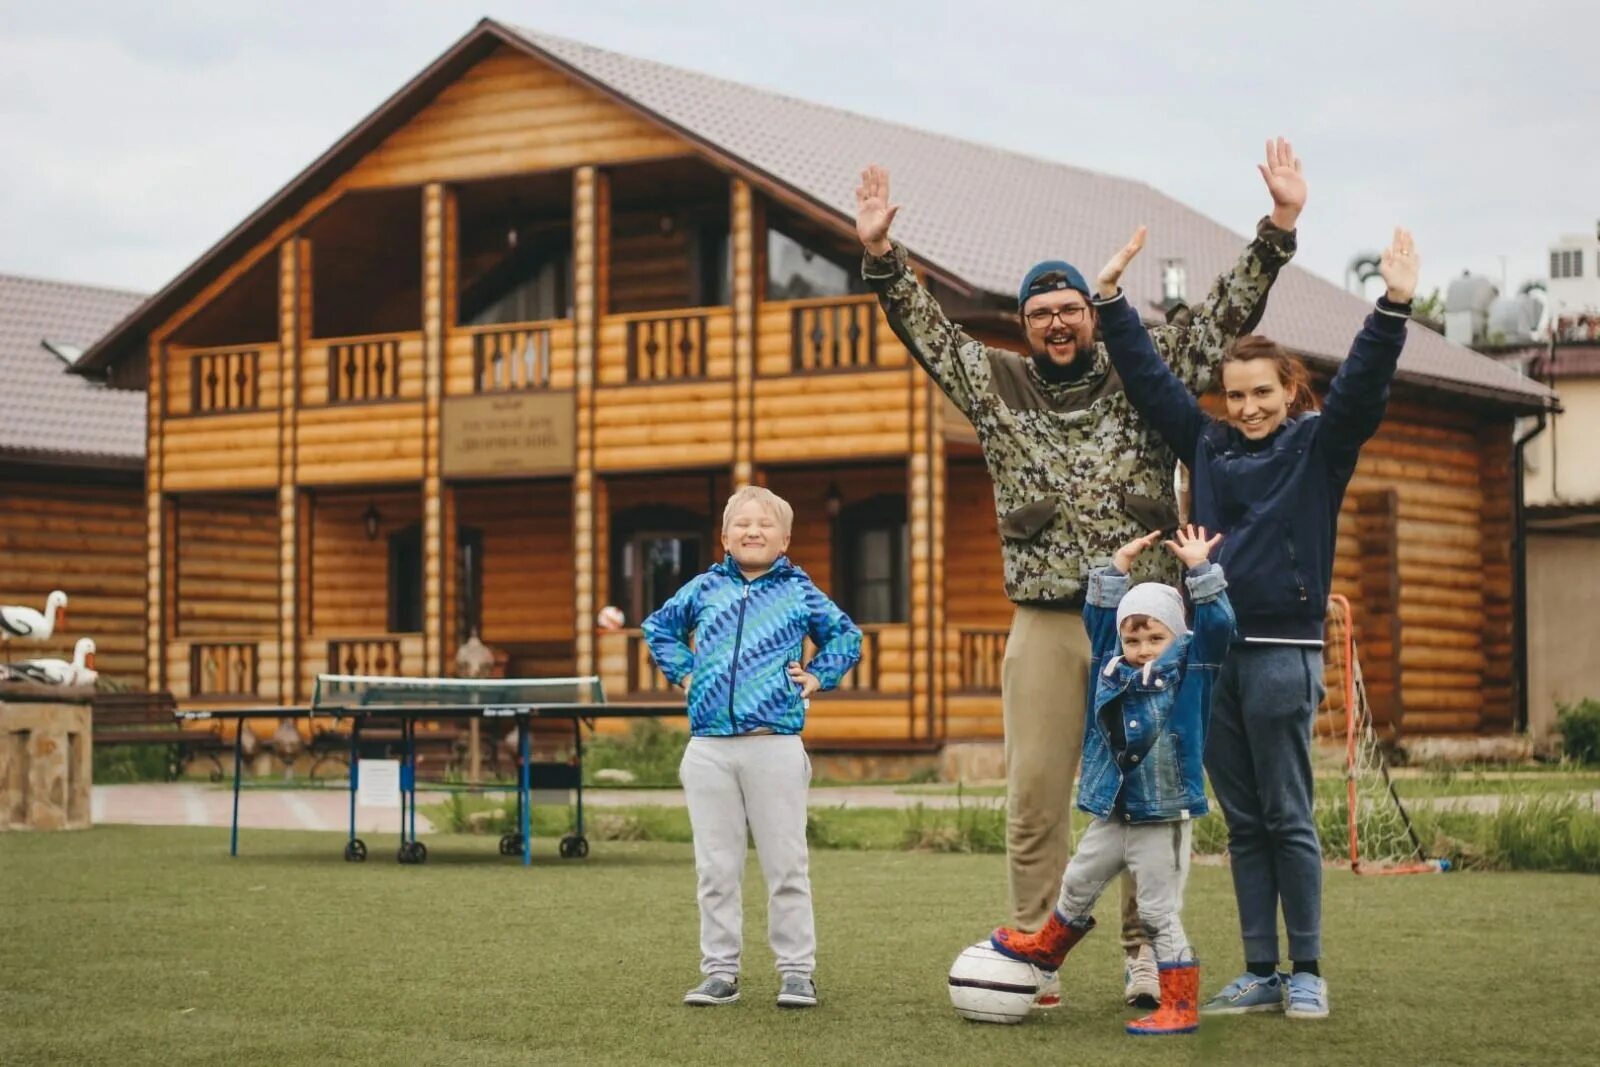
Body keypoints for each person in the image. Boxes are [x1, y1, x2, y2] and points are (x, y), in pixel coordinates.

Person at [856, 139, 1304, 1007]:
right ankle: (1034, 946)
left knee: (1154, 790)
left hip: (1149, 619)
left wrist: (1278, 226)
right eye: (1040, 312)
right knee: (1033, 793)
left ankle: (1146, 947)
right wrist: (881, 256)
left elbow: (1223, 311)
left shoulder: (1146, 367)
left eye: (1069, 307)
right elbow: (926, 329)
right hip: (1051, 620)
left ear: (1091, 315)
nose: (1056, 321)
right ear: (1023, 325)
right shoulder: (996, 385)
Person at [1089, 222, 1420, 1020]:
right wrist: (1108, 302)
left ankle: (1307, 967)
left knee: (1287, 814)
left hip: (1283, 652)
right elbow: (1152, 383)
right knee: (1243, 821)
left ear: (1290, 390)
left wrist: (1394, 307)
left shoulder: (1320, 446)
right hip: (1211, 655)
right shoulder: (1205, 443)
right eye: (1235, 395)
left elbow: (1363, 388)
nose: (1246, 407)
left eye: (1261, 392)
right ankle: (1261, 969)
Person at [989, 524, 1233, 1036]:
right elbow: (1099, 621)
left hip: (1161, 815)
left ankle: (1179, 1003)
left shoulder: (1192, 668)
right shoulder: (1110, 664)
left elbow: (1219, 625)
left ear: (1178, 637)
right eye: (1134, 637)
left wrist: (1200, 571)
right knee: (1077, 882)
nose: (1143, 647)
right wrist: (1115, 571)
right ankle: (1047, 951)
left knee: (1157, 912)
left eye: (1155, 637)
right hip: (1114, 810)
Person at [641, 485, 863, 1010]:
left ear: (784, 539)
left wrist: (817, 677)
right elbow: (659, 628)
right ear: (724, 536)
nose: (753, 532)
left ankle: (796, 973)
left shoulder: (800, 592)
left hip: (775, 746)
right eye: (742, 524)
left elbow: (846, 637)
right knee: (716, 868)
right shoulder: (703, 589)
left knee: (786, 865)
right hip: (709, 750)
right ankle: (719, 973)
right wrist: (686, 672)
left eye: (764, 525)